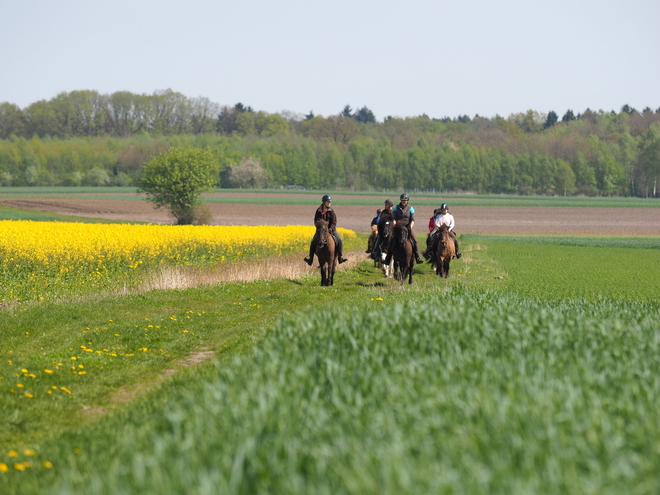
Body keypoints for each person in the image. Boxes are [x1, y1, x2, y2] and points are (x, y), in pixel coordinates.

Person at [304, 194, 348, 266]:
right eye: (328, 202)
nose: (329, 203)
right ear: (324, 202)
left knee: (339, 240)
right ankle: (310, 259)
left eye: (330, 202)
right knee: (313, 241)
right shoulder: (318, 211)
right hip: (320, 231)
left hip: (331, 230)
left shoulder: (331, 211)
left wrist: (330, 229)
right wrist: (320, 227)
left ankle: (340, 257)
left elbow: (334, 222)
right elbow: (316, 221)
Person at [384, 193, 424, 265]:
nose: (403, 201)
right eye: (402, 200)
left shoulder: (411, 208)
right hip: (398, 227)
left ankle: (417, 256)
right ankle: (388, 258)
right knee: (391, 239)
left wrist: (410, 226)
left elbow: (412, 219)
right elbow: (394, 218)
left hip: (407, 227)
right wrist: (394, 222)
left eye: (405, 200)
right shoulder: (396, 208)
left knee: (414, 240)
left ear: (407, 200)